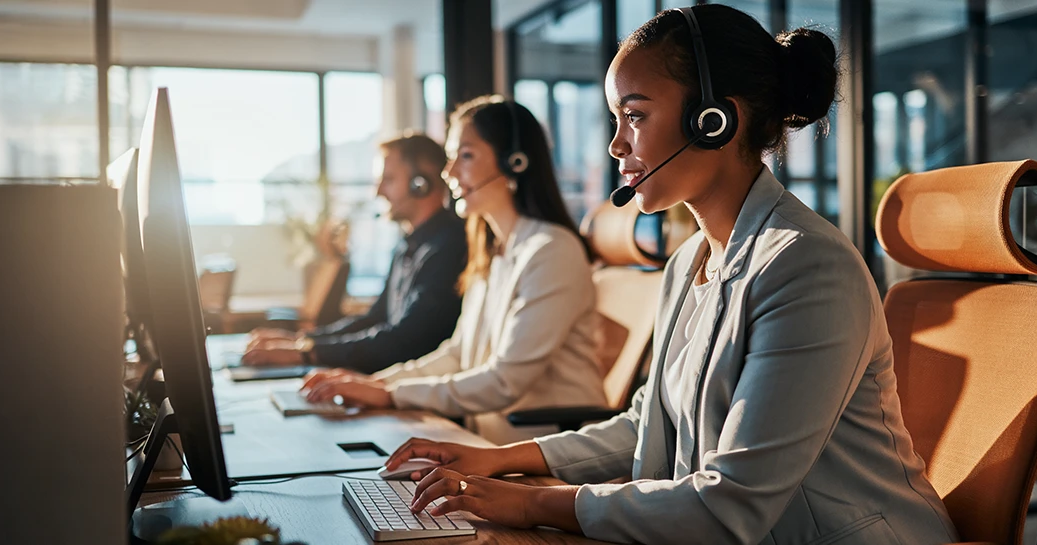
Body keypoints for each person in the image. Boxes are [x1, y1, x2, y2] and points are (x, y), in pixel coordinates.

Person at [382, 6, 960, 545]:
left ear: (713, 120)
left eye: (634, 115)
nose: (616, 144)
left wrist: (532, 504)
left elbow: (730, 505)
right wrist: (500, 460)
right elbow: (647, 426)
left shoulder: (808, 266)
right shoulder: (688, 263)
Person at [300, 96, 607, 445]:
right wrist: (379, 384)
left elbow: (505, 380)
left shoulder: (552, 251)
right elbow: (457, 354)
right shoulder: (493, 251)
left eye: (466, 156)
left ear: (514, 161)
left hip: (546, 455)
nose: (448, 173)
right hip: (488, 445)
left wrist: (392, 395)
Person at [242, 132, 466, 374]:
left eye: (388, 179)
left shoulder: (448, 247)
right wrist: (301, 340)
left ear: (420, 184)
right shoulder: (407, 246)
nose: (378, 191)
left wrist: (306, 353)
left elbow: (406, 341)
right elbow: (375, 319)